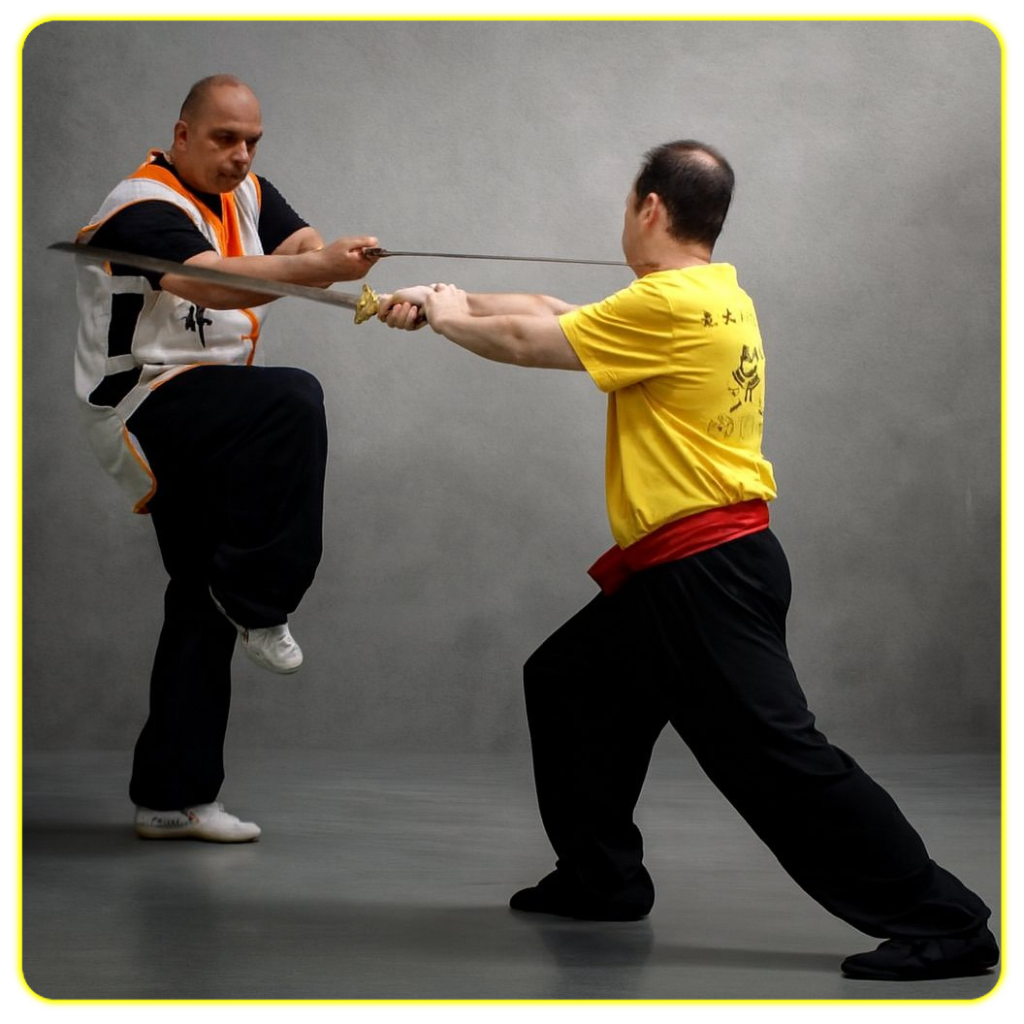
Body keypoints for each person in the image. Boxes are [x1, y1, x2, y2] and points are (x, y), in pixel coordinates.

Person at [377, 141, 999, 981]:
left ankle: (948, 922)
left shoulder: (667, 305)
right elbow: (551, 308)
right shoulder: (710, 296)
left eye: (627, 204)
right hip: (693, 564)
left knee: (778, 757)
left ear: (650, 207)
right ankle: (601, 879)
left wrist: (451, 321)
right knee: (567, 683)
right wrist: (441, 298)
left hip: (705, 574)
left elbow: (530, 340)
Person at [73, 74, 380, 843]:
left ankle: (171, 798)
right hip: (147, 404)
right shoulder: (140, 206)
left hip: (215, 415)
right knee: (294, 400)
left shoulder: (246, 191)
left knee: (198, 595)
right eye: (224, 139)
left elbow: (300, 247)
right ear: (181, 136)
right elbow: (209, 284)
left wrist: (365, 291)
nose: (242, 155)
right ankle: (264, 601)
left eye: (252, 142)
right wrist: (325, 271)